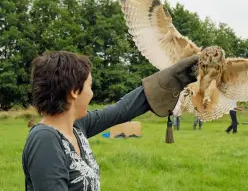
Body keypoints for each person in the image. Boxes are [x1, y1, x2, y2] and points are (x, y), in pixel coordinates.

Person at [21, 51, 198, 190]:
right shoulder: (45, 140)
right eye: (90, 86)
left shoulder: (77, 127)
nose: (92, 93)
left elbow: (121, 110)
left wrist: (177, 77)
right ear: (74, 91)